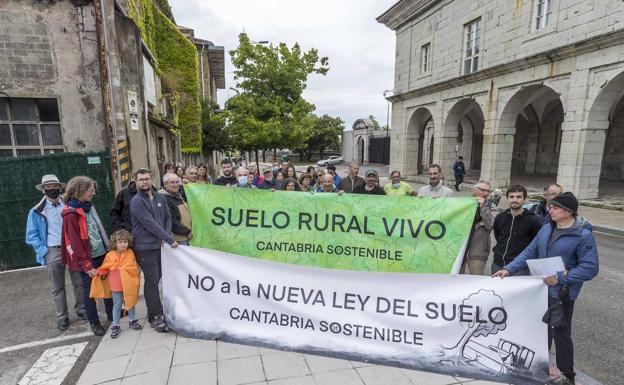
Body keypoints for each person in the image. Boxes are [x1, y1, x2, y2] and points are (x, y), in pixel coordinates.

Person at [493, 192, 599, 385]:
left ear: (569, 212)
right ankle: (539, 370)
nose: (549, 210)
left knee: (561, 334)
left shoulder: (583, 235)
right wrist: (508, 269)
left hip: (562, 295)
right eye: (550, 206)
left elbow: (590, 268)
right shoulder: (546, 229)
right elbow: (529, 252)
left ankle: (568, 376)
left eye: (555, 207)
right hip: (540, 291)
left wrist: (558, 278)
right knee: (541, 332)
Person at [26, 174, 86, 331]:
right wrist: (44, 251)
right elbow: (31, 236)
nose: (52, 189)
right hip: (53, 250)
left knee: (79, 281)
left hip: (71, 248)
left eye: (55, 186)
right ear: (43, 190)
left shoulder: (68, 205)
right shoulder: (36, 211)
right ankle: (62, 317)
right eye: (48, 187)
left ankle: (82, 309)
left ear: (60, 187)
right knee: (57, 286)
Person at [61, 176, 112, 336]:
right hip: (87, 260)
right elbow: (75, 243)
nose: (93, 193)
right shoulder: (71, 214)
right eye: (91, 190)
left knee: (107, 285)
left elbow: (98, 228)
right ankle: (94, 322)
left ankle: (111, 314)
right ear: (79, 191)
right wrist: (86, 265)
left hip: (101, 254)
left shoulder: (88, 207)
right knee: (90, 292)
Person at [130, 169, 178, 332]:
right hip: (145, 247)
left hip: (161, 246)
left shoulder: (159, 197)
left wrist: (165, 236)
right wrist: (169, 239)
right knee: (152, 280)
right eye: (141, 179)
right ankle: (154, 316)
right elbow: (148, 223)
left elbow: (167, 217)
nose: (144, 182)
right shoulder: (136, 201)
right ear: (135, 181)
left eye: (147, 179)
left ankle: (162, 309)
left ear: (152, 180)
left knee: (160, 278)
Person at [97, 229, 142, 339]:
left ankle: (132, 320)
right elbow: (105, 267)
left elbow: (133, 267)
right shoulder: (110, 255)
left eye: (125, 242)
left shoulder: (130, 253)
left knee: (130, 302)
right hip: (116, 285)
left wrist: (120, 267)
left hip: (128, 284)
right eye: (120, 242)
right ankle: (116, 325)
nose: (123, 244)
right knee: (117, 305)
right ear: (115, 243)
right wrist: (100, 271)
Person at [491, 185, 543, 274]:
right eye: (511, 197)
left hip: (520, 268)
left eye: (519, 197)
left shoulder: (533, 220)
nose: (514, 200)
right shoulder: (500, 217)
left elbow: (537, 244)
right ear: (507, 199)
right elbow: (498, 237)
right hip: (498, 264)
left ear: (525, 199)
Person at [463, 180, 494, 275]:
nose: (486, 193)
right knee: (456, 281)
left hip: (478, 252)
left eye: (488, 191)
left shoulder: (491, 206)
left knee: (475, 281)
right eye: (483, 190)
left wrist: (483, 206)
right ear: (474, 190)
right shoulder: (463, 204)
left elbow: (491, 224)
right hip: (460, 251)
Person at [160, 173, 192, 246]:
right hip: (178, 239)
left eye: (177, 182)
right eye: (172, 182)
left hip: (186, 236)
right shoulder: (164, 198)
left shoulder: (177, 195)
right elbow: (171, 221)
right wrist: (187, 232)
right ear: (165, 184)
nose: (175, 185)